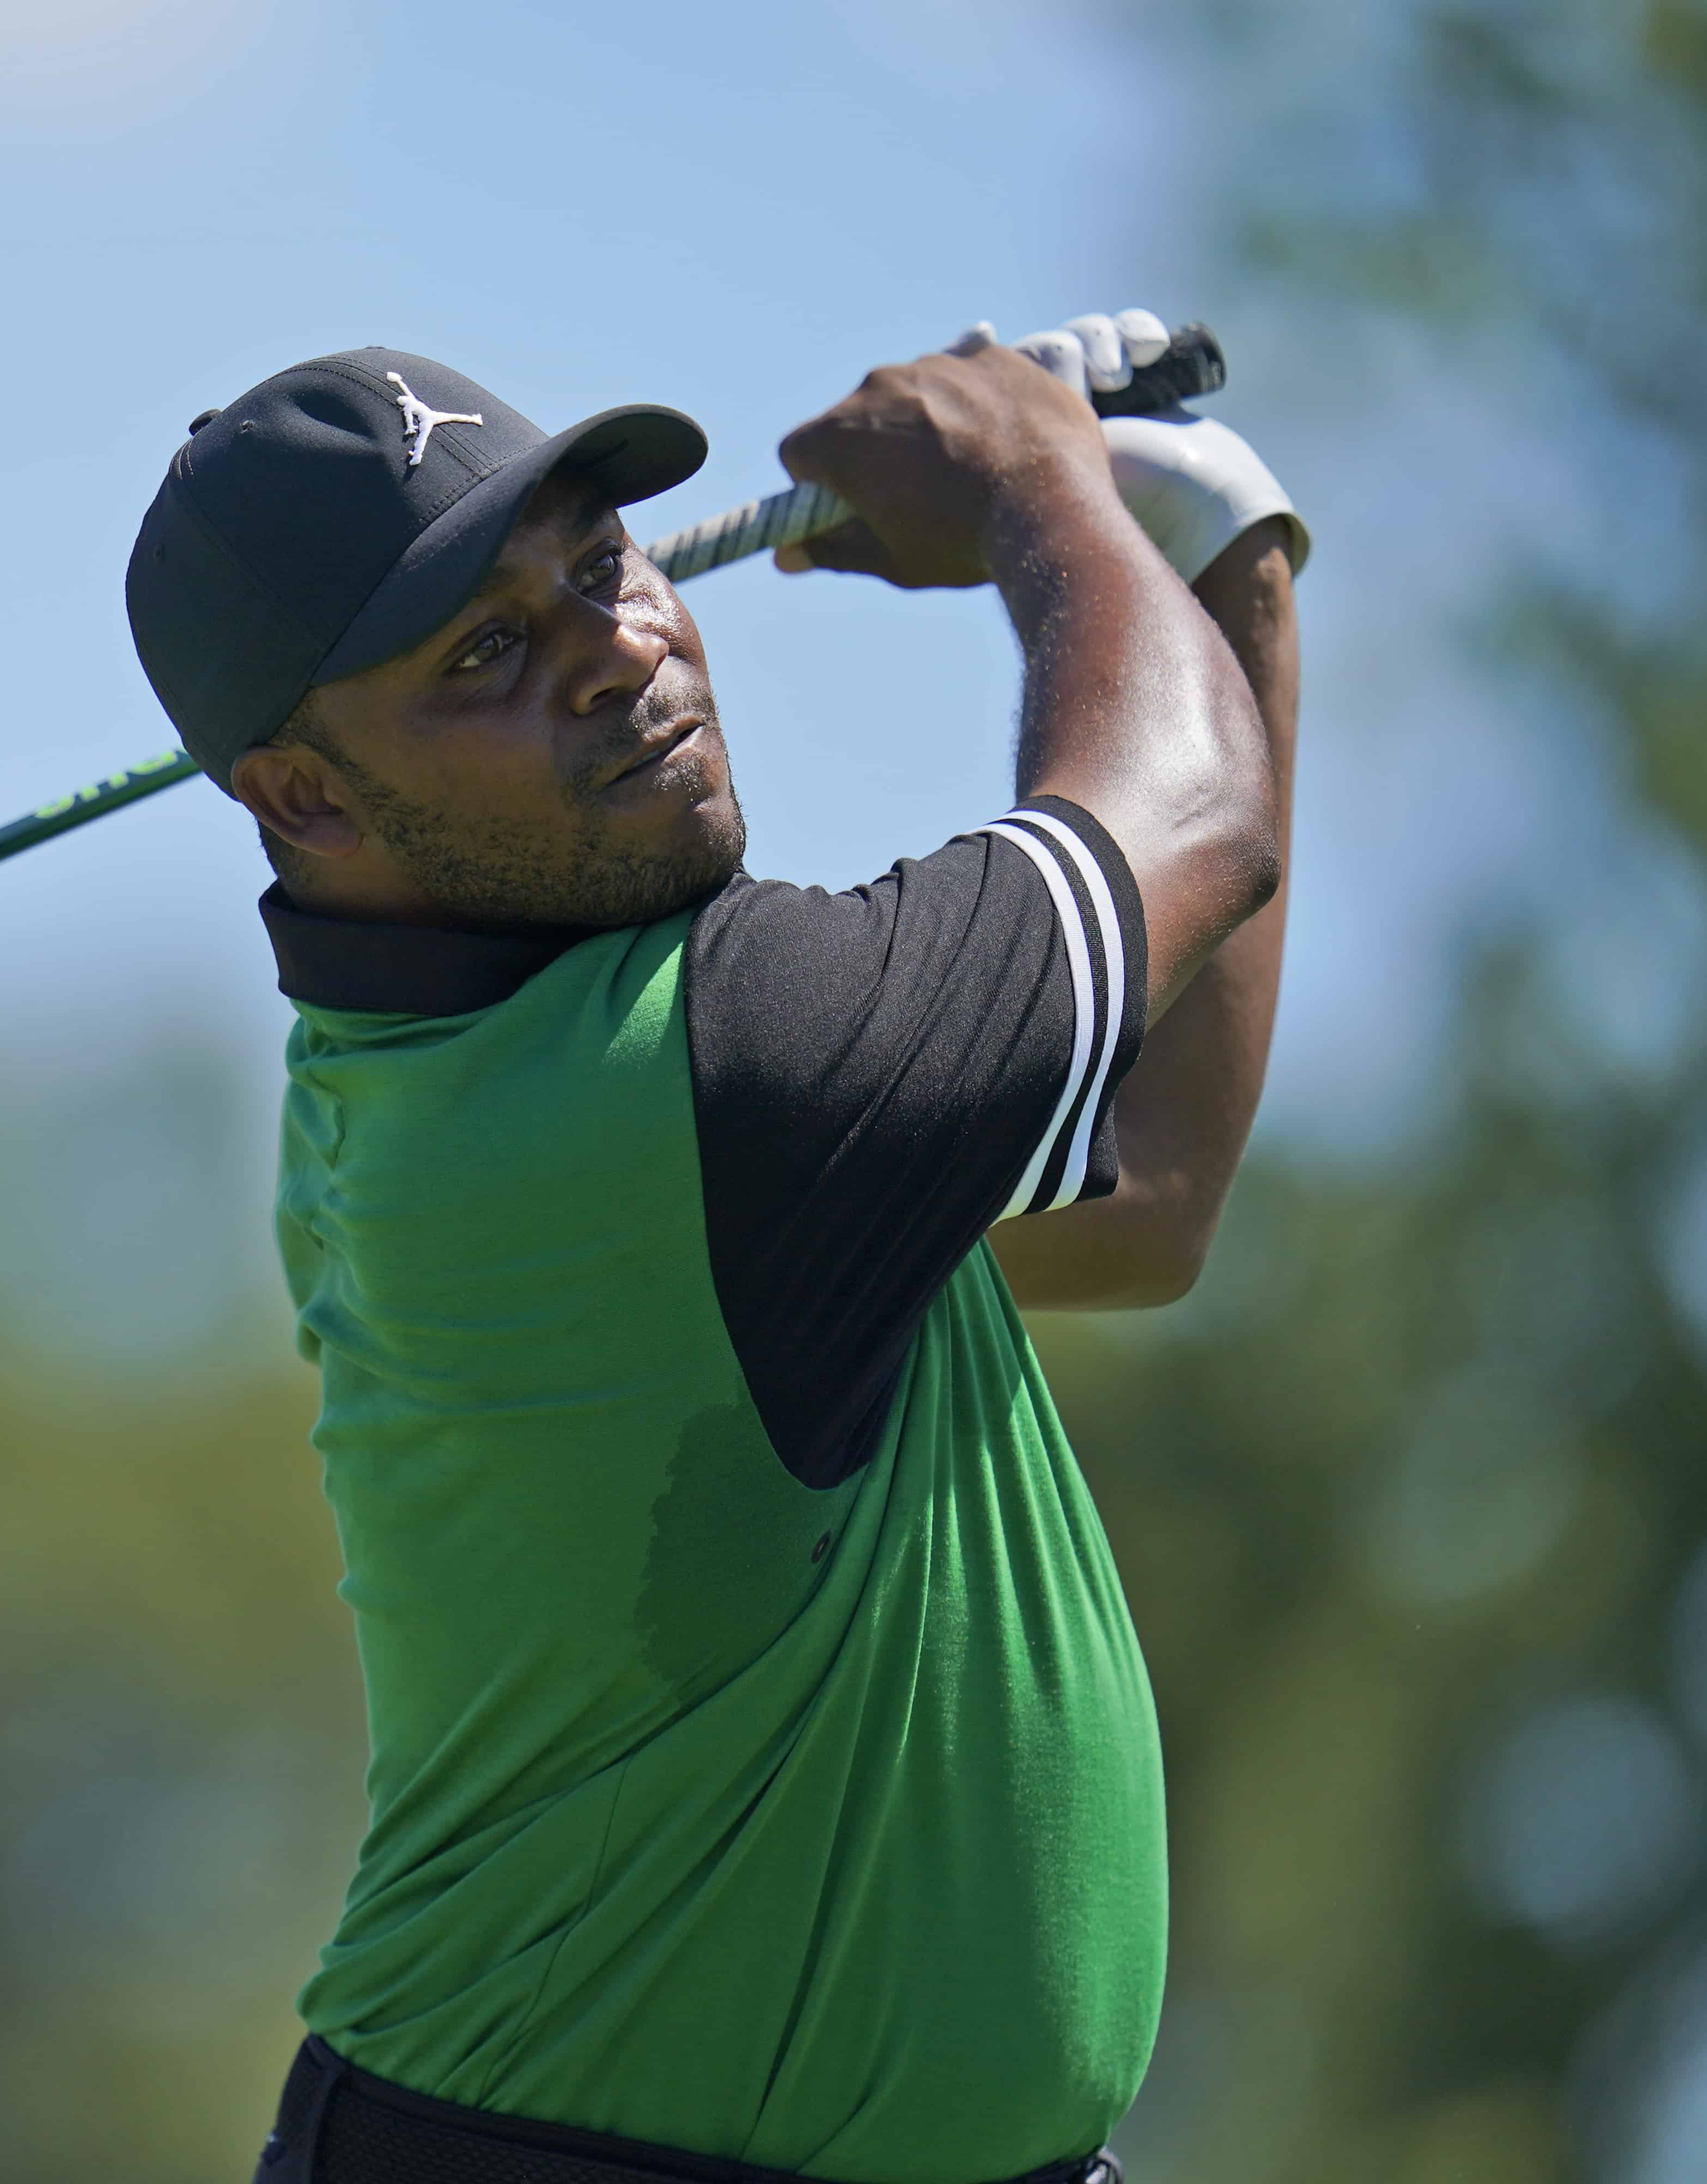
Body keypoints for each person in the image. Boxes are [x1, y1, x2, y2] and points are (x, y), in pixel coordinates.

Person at [121, 315, 1306, 2184]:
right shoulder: (688, 1079)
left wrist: (1212, 548)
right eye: (491, 652)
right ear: (306, 798)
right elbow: (1190, 815)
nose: (615, 651)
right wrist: (1038, 482)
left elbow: (1145, 1192)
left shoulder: (439, 1078)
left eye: (597, 568)